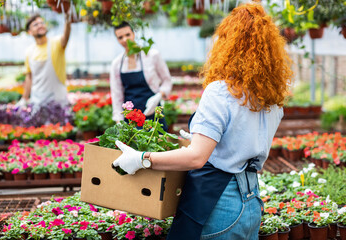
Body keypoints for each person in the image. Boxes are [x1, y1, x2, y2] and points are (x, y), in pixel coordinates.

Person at [112, 2, 293, 239]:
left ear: (228, 44)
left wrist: (142, 158)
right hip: (251, 201)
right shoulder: (272, 98)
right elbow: (243, 140)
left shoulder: (221, 91)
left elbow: (197, 157)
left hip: (219, 200)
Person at [110, 22, 172, 130]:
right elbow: (117, 95)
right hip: (130, 119)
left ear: (133, 34)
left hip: (153, 114)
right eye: (120, 37)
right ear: (117, 40)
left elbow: (167, 80)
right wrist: (119, 122)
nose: (125, 39)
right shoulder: (117, 63)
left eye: (127, 35)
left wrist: (158, 96)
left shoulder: (152, 55)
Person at [16, 12, 71, 109]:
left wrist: (67, 18)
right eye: (35, 25)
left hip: (58, 97)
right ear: (29, 32)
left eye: (42, 23)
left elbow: (66, 36)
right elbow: (29, 77)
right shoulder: (29, 51)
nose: (40, 25)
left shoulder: (56, 43)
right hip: (38, 98)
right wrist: (24, 98)